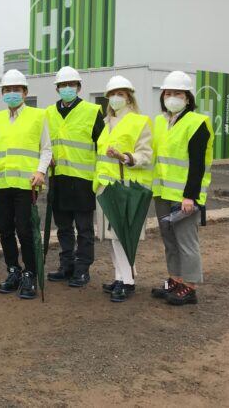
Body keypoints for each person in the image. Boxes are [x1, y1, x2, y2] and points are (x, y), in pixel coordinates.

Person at [0, 69, 51, 299]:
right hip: (2, 184)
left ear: (25, 92)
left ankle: (30, 274)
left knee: (25, 230)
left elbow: (46, 148)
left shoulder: (38, 115)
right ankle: (13, 270)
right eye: (7, 90)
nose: (12, 93)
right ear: (2, 93)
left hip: (26, 185)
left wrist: (40, 171)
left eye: (16, 89)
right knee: (5, 230)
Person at [151, 71, 213, 306]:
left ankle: (190, 286)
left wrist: (191, 196)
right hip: (163, 192)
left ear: (188, 97)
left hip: (185, 196)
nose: (172, 97)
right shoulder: (161, 121)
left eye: (178, 93)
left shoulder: (197, 123)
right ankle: (175, 280)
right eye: (168, 93)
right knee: (170, 241)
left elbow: (197, 165)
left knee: (186, 241)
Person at [94, 76, 153, 302]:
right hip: (105, 187)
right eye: (112, 94)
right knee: (111, 236)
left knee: (121, 235)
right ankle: (120, 276)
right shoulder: (107, 122)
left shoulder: (140, 121)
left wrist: (125, 157)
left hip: (125, 186)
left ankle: (127, 281)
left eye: (121, 93)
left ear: (129, 95)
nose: (116, 97)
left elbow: (146, 155)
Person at [46, 66, 104, 288]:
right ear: (57, 88)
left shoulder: (92, 111)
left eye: (71, 85)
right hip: (58, 178)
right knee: (63, 228)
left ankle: (82, 269)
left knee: (84, 229)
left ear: (79, 87)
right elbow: (43, 143)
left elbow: (101, 146)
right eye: (63, 85)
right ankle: (66, 265)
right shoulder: (49, 113)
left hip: (82, 180)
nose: (67, 88)